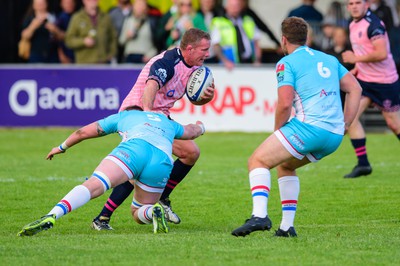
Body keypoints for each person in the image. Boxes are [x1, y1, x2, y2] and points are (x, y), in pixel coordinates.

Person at [231, 16, 362, 237]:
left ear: (283, 40)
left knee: (257, 160)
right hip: (334, 135)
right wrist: (346, 123)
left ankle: (260, 216)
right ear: (306, 37)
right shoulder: (328, 59)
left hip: (309, 128)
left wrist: (278, 131)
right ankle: (286, 227)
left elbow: (284, 103)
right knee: (285, 165)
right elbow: (355, 88)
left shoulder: (286, 63)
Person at [91, 28, 214, 230]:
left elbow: (197, 97)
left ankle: (163, 198)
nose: (207, 54)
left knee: (191, 153)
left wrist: (206, 97)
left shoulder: (194, 67)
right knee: (139, 167)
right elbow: (151, 87)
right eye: (204, 49)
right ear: (190, 49)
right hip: (138, 114)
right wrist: (148, 116)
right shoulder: (167, 61)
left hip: (160, 118)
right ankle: (102, 218)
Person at [17, 108, 206, 237]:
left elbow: (82, 132)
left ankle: (53, 215)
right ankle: (152, 210)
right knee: (137, 212)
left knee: (94, 185)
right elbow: (191, 131)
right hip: (161, 162)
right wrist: (201, 126)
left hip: (133, 151)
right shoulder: (167, 123)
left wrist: (61, 147)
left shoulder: (124, 116)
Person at [341, 0, 400, 178]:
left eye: (358, 2)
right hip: (364, 81)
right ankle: (363, 164)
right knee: (349, 118)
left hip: (384, 82)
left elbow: (381, 53)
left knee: (394, 124)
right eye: (350, 3)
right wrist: (358, 68)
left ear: (366, 5)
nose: (354, 6)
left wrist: (354, 58)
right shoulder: (352, 24)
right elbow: (365, 51)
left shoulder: (373, 25)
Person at [210, 0, 262, 70]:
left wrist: (257, 60)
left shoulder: (248, 20)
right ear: (226, 7)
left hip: (249, 63)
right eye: (232, 6)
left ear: (241, 7)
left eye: (237, 6)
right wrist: (225, 61)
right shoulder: (218, 22)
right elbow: (216, 45)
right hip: (229, 66)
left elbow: (256, 43)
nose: (235, 9)